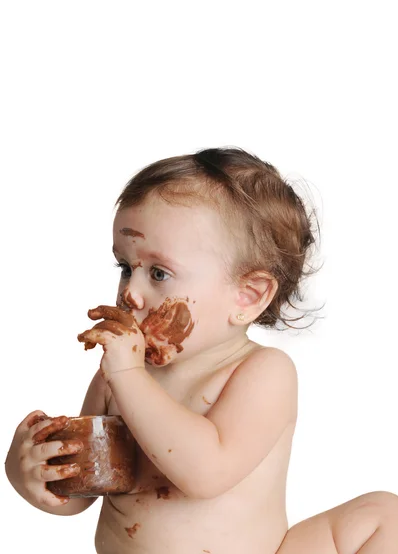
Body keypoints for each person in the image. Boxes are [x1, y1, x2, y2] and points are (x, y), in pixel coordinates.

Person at [5, 147, 398, 553]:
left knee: (384, 515)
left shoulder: (263, 373)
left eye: (159, 273)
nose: (130, 293)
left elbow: (206, 473)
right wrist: (31, 476)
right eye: (125, 267)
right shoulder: (114, 377)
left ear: (247, 296)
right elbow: (87, 486)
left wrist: (128, 377)